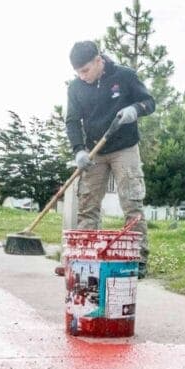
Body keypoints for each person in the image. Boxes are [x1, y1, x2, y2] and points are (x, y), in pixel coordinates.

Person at [64, 40, 156, 277]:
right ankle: (85, 258)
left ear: (98, 60)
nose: (82, 76)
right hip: (95, 151)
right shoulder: (76, 88)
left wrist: (135, 109)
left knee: (131, 202)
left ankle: (138, 260)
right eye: (78, 72)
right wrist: (78, 151)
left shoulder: (124, 76)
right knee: (88, 203)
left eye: (85, 70)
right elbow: (72, 121)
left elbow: (149, 102)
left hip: (124, 147)